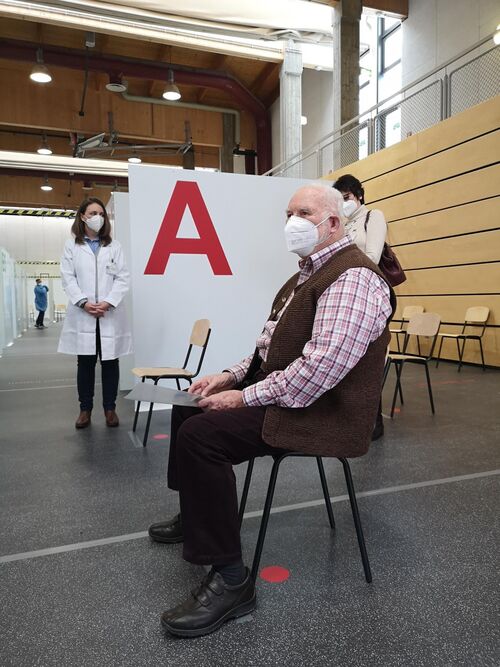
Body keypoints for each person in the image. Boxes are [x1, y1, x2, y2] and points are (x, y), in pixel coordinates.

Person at [148, 184, 396, 638]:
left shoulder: (354, 277)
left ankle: (231, 580)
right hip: (294, 396)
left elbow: (319, 371)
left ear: (334, 223)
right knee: (191, 409)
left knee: (202, 436)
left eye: (304, 213)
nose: (292, 222)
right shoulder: (303, 276)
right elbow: (267, 352)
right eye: (288, 213)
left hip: (322, 411)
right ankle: (197, 514)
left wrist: (244, 397)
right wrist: (228, 376)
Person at [58, 197, 132, 429]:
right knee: (86, 363)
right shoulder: (72, 246)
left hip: (109, 314)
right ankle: (85, 410)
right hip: (84, 313)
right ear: (82, 216)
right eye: (92, 213)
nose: (97, 217)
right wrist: (83, 302)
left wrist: (108, 302)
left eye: (100, 213)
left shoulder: (114, 246)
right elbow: (67, 277)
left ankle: (110, 409)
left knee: (110, 362)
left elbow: (123, 278)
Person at [332, 173, 388, 440]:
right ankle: (353, 419)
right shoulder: (343, 224)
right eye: (339, 199)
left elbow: (373, 257)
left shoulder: (372, 216)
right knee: (351, 359)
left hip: (372, 296)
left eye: (347, 198)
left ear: (359, 196)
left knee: (370, 358)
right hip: (349, 296)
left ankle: (374, 422)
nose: (344, 203)